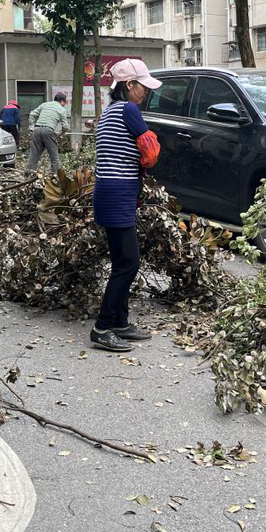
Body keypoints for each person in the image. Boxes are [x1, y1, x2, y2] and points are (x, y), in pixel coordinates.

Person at [89, 59, 161, 352]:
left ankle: (120, 322)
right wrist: (149, 154)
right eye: (143, 86)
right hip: (118, 193)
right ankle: (103, 327)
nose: (146, 91)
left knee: (122, 261)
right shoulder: (130, 110)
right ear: (129, 85)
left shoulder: (109, 112)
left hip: (107, 191)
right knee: (129, 263)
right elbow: (150, 151)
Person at [26, 93, 69, 177]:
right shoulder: (61, 109)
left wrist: (31, 126)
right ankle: (55, 176)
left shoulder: (44, 104)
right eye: (65, 102)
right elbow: (65, 126)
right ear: (62, 101)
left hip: (37, 130)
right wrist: (61, 134)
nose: (65, 105)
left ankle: (30, 174)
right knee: (54, 156)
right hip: (48, 131)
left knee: (34, 154)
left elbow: (32, 114)